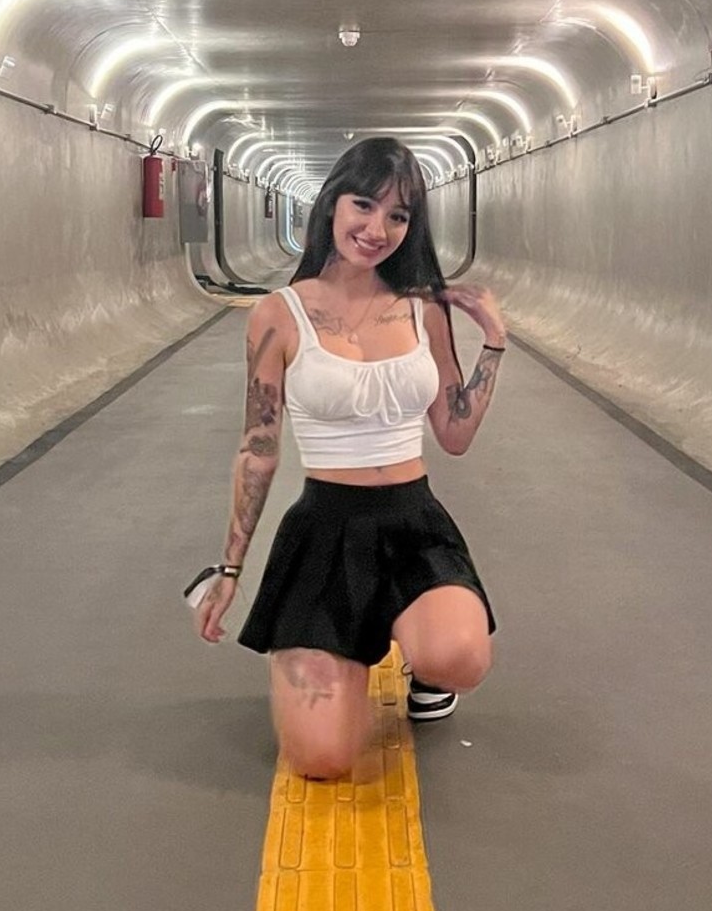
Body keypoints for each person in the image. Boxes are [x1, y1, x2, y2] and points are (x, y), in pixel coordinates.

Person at [189, 136, 506, 780]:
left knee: (460, 657)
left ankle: (419, 661)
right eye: (364, 204)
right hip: (324, 528)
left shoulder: (424, 309)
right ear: (332, 203)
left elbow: (453, 433)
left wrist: (494, 344)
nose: (377, 229)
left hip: (414, 523)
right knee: (322, 759)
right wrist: (230, 568)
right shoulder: (279, 315)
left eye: (398, 215)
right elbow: (258, 448)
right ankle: (331, 653)